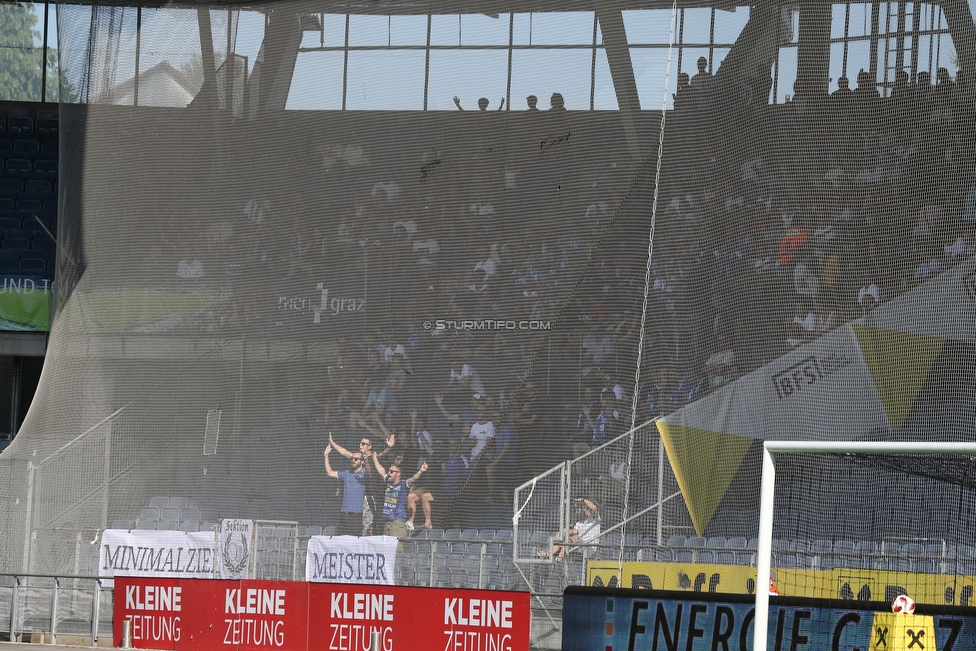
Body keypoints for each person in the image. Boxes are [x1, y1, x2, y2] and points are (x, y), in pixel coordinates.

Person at [371, 453, 428, 538]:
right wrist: (374, 459)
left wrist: (421, 471)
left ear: (398, 474)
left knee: (397, 549)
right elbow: (381, 470)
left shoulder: (403, 485)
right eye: (389, 471)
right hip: (387, 521)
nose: (388, 473)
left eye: (391, 472)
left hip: (398, 522)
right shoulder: (388, 482)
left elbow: (413, 479)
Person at [323, 440, 366, 536]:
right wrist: (326, 456)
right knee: (341, 540)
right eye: (352, 459)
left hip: (357, 514)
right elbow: (330, 473)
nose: (353, 461)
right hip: (344, 512)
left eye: (356, 459)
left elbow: (344, 452)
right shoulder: (347, 473)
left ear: (362, 461)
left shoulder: (365, 473)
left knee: (355, 541)